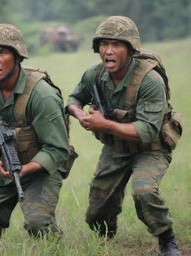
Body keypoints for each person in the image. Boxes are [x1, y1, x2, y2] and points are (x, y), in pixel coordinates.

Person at [66, 16, 180, 256]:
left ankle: (166, 239)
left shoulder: (150, 80)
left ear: (130, 49)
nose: (108, 51)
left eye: (116, 45)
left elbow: (147, 131)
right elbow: (74, 99)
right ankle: (106, 238)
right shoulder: (94, 75)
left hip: (151, 149)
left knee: (144, 191)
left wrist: (103, 124)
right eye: (103, 44)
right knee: (97, 210)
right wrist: (80, 115)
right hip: (116, 148)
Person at [0, 24, 70, 241]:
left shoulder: (41, 95)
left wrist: (25, 170)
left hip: (39, 170)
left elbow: (58, 149)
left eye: (2, 52)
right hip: (0, 169)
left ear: (17, 56)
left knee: (38, 226)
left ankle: (55, 244)